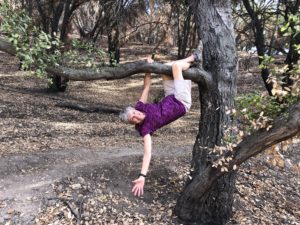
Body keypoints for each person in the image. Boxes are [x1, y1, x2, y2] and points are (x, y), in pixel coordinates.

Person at [119, 52, 200, 197]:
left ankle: (190, 65)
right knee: (176, 66)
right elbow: (147, 153)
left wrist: (149, 67)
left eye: (134, 114)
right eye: (134, 120)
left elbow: (146, 87)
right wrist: (142, 176)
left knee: (165, 68)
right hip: (181, 103)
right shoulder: (145, 129)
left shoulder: (140, 106)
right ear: (133, 123)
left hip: (170, 96)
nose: (137, 117)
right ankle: (194, 58)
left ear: (135, 109)